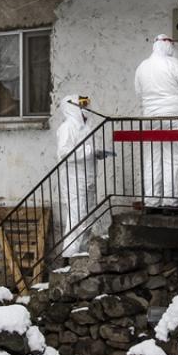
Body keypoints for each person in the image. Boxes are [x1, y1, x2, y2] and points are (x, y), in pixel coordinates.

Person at [133, 34, 178, 211]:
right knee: (173, 159)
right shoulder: (174, 64)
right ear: (168, 46)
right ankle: (170, 202)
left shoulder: (142, 66)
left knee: (152, 159)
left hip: (150, 118)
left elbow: (139, 92)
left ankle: (152, 202)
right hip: (174, 116)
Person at [56, 95, 112, 256]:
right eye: (81, 105)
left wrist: (96, 154)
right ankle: (69, 255)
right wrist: (89, 151)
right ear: (71, 107)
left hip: (88, 176)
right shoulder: (68, 127)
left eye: (86, 105)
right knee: (77, 217)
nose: (85, 108)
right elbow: (65, 153)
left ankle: (82, 252)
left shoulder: (86, 127)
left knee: (87, 217)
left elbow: (85, 151)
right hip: (74, 178)